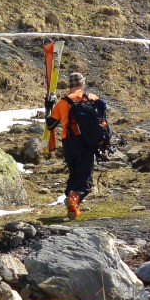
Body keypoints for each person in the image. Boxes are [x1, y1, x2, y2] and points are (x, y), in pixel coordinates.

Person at [46, 72, 104, 220]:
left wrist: (48, 107)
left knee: (74, 174)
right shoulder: (93, 98)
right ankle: (73, 200)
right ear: (82, 84)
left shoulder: (63, 103)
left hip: (69, 142)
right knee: (85, 179)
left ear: (69, 86)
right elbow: (102, 123)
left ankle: (72, 204)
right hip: (87, 142)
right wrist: (103, 145)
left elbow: (50, 125)